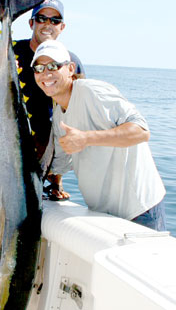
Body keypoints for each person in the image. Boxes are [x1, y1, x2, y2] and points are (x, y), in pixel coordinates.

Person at [31, 39, 166, 231]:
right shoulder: (60, 114)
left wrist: (86, 138)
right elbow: (58, 163)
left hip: (139, 211)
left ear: (70, 69)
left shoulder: (92, 91)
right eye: (39, 68)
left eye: (53, 66)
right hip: (104, 215)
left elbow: (141, 131)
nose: (46, 73)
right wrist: (53, 184)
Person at [0, 0, 84, 200]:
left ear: (62, 27)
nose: (48, 24)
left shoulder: (70, 61)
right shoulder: (11, 51)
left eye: (54, 21)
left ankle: (55, 182)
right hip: (7, 139)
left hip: (46, 146)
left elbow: (78, 107)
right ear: (31, 23)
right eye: (42, 18)